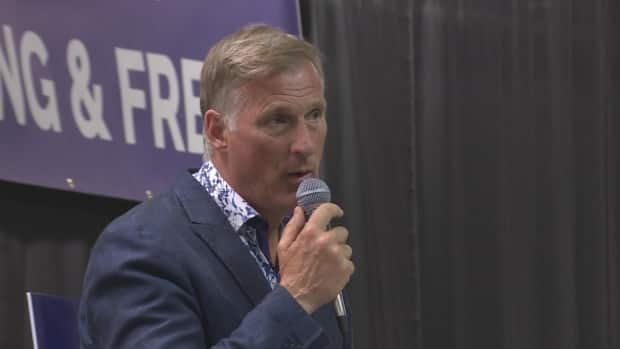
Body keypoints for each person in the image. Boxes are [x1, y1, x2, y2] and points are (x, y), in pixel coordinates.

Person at [78, 24, 354, 348]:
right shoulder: (140, 248)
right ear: (218, 131)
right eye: (278, 120)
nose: (305, 144)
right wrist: (295, 297)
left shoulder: (305, 241)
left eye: (314, 114)